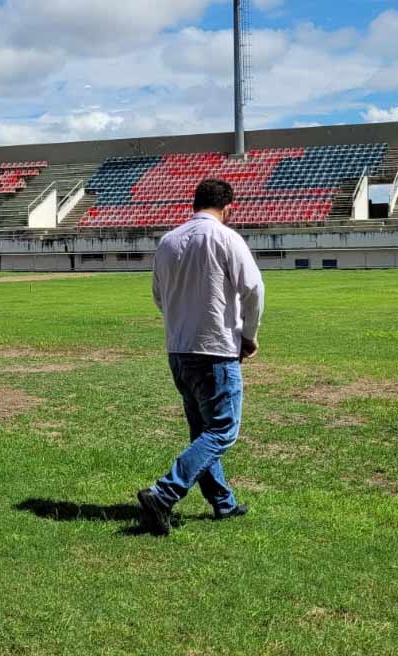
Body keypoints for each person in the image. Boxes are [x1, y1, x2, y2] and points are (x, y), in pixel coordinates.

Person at [137, 178, 264, 536]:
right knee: (222, 430)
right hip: (215, 349)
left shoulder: (168, 241)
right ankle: (163, 494)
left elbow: (159, 296)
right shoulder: (226, 238)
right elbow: (253, 289)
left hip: (179, 349)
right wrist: (248, 336)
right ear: (228, 208)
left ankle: (223, 503)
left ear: (194, 203)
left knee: (202, 431)